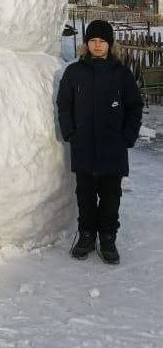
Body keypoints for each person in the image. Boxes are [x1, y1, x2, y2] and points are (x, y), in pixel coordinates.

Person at [57, 19, 143, 264]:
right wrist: (70, 133)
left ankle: (107, 239)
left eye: (102, 41)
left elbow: (135, 107)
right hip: (83, 145)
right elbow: (64, 105)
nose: (97, 45)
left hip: (112, 147)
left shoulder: (121, 74)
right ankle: (86, 235)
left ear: (109, 44)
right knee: (84, 195)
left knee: (110, 197)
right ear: (86, 44)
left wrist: (127, 136)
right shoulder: (74, 72)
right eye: (92, 41)